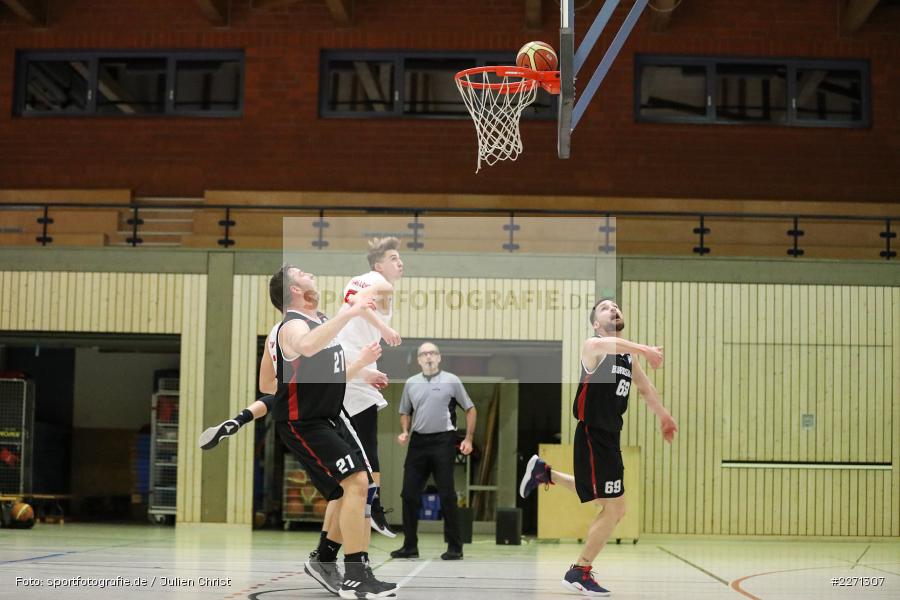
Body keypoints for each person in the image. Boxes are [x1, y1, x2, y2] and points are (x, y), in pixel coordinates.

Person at [519, 298, 677, 597]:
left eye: (617, 306)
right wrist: (645, 349)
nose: (613, 309)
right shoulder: (594, 346)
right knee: (615, 506)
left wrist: (664, 416)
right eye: (606, 307)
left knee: (607, 500)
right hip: (594, 433)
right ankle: (579, 571)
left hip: (609, 436)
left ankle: (545, 473)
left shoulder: (628, 359)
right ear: (595, 323)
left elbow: (645, 389)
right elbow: (613, 347)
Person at [273, 264, 396, 599]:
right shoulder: (292, 326)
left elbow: (330, 374)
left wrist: (363, 372)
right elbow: (308, 347)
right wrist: (352, 311)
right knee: (356, 484)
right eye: (301, 272)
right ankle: (355, 574)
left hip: (329, 418)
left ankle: (331, 561)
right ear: (294, 289)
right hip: (304, 423)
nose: (310, 272)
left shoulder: (322, 320)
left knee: (356, 487)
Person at [334, 237, 404, 538]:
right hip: (346, 364)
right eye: (393, 257)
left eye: (400, 258)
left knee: (359, 452)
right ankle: (372, 508)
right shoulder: (376, 281)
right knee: (366, 448)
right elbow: (352, 297)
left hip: (352, 367)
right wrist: (386, 329)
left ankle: (363, 511)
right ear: (378, 265)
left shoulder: (382, 286)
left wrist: (368, 372)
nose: (399, 262)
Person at [391, 342, 475, 561]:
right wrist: (404, 431)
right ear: (418, 360)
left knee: (446, 494)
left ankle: (455, 547)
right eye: (424, 354)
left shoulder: (452, 381)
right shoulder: (411, 383)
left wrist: (468, 439)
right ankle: (410, 546)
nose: (428, 357)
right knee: (408, 494)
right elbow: (404, 411)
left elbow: (470, 408)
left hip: (443, 441)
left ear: (439, 358)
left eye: (432, 353)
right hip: (418, 443)